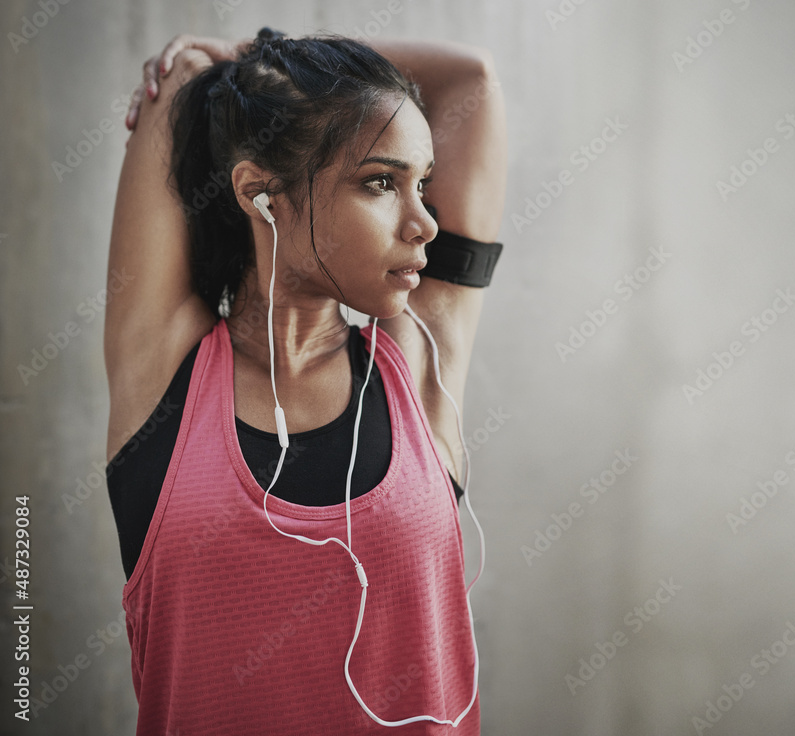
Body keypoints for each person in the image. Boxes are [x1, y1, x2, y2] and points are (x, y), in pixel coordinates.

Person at [104, 26, 506, 735]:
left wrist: (257, 53)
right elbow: (179, 84)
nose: (423, 224)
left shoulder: (419, 358)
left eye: (423, 184)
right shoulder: (164, 372)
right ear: (262, 194)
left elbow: (470, 81)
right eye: (381, 182)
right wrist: (235, 76)